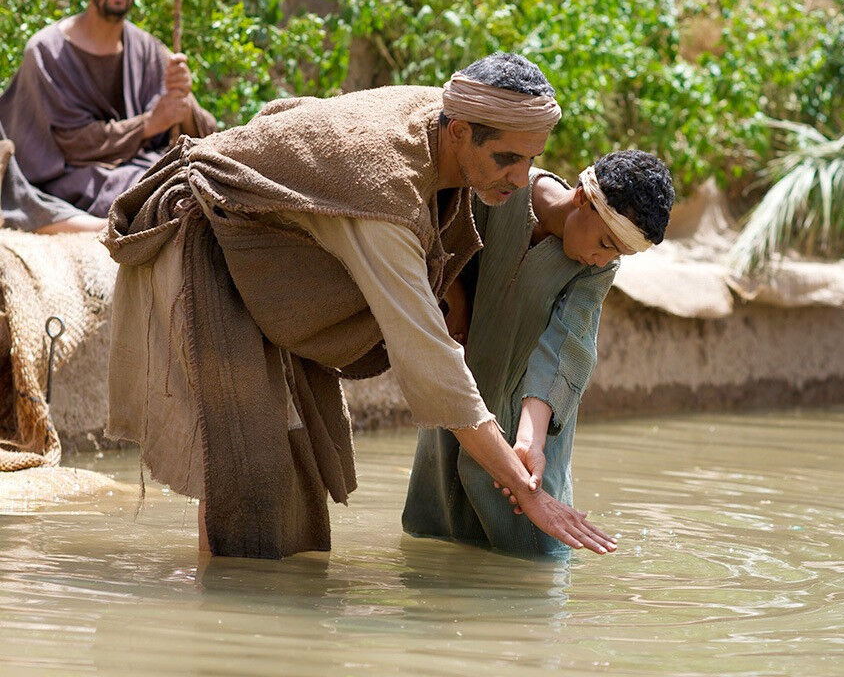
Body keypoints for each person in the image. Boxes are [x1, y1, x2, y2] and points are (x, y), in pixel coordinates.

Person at [102, 52, 618, 560]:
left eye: (532, 158)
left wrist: (452, 291)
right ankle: (225, 614)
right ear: (459, 132)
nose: (522, 178)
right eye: (507, 158)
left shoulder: (440, 123)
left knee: (291, 462)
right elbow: (431, 362)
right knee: (248, 465)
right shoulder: (384, 194)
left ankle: (262, 616)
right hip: (206, 236)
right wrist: (529, 494)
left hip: (273, 260)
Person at [403, 150, 673, 556]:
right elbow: (441, 238)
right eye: (604, 242)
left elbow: (565, 348)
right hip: (461, 396)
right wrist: (453, 297)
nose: (603, 258)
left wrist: (530, 443)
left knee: (533, 554)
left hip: (528, 416)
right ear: (582, 197)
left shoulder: (595, 270)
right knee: (435, 539)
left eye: (617, 254)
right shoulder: (502, 190)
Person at [0, 0, 216, 219]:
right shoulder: (46, 51)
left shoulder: (151, 51)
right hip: (71, 177)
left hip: (139, 167)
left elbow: (206, 133)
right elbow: (70, 144)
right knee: (151, 192)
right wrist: (149, 124)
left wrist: (183, 103)